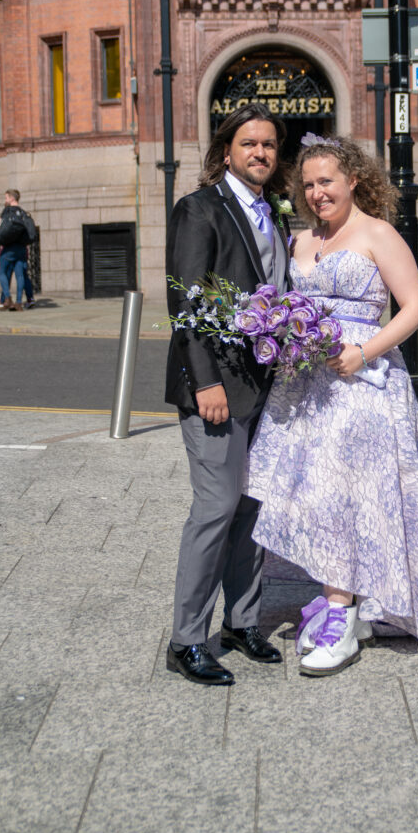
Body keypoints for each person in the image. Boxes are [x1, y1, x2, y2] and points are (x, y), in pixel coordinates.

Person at [246, 135, 418, 677]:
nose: (317, 192)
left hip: (363, 382)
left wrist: (364, 350)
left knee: (344, 491)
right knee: (308, 491)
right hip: (305, 386)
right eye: (307, 184)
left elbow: (416, 305)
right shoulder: (299, 239)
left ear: (353, 179)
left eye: (326, 180)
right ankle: (345, 600)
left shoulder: (378, 233)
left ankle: (340, 612)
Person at [165, 103, 292, 686]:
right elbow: (186, 302)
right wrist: (205, 380)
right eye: (249, 144)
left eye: (268, 144)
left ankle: (242, 624)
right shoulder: (198, 210)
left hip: (264, 385)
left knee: (250, 508)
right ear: (226, 152)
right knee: (215, 509)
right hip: (216, 386)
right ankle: (187, 639)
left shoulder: (275, 216)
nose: (260, 153)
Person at [0, 189, 29, 312]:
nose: (5, 200)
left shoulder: (7, 211)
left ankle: (8, 298)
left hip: (9, 247)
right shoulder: (24, 213)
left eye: (6, 198)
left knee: (2, 272)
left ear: (12, 198)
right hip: (21, 249)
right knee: (20, 275)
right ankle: (19, 303)